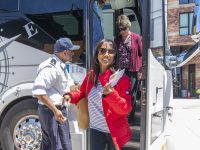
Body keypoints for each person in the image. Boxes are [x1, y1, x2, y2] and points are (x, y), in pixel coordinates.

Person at [63, 39, 132, 150]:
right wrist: (70, 96)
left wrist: (111, 95)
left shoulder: (122, 79)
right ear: (97, 55)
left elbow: (125, 109)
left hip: (114, 131)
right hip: (95, 129)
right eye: (102, 51)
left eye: (111, 51)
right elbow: (82, 93)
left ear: (115, 55)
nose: (106, 54)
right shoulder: (91, 75)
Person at [32, 37, 80, 150]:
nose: (73, 53)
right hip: (52, 112)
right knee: (59, 145)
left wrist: (81, 86)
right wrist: (55, 111)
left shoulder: (61, 65)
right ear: (64, 52)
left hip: (56, 111)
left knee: (54, 144)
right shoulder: (50, 68)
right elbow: (39, 92)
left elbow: (68, 86)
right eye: (71, 51)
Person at [114, 15, 142, 124]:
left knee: (132, 94)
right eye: (120, 29)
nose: (122, 31)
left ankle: (130, 118)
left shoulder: (136, 38)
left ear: (128, 27)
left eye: (124, 29)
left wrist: (140, 70)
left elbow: (141, 54)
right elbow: (114, 55)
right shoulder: (117, 40)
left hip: (133, 71)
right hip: (120, 72)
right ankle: (121, 116)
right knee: (120, 94)